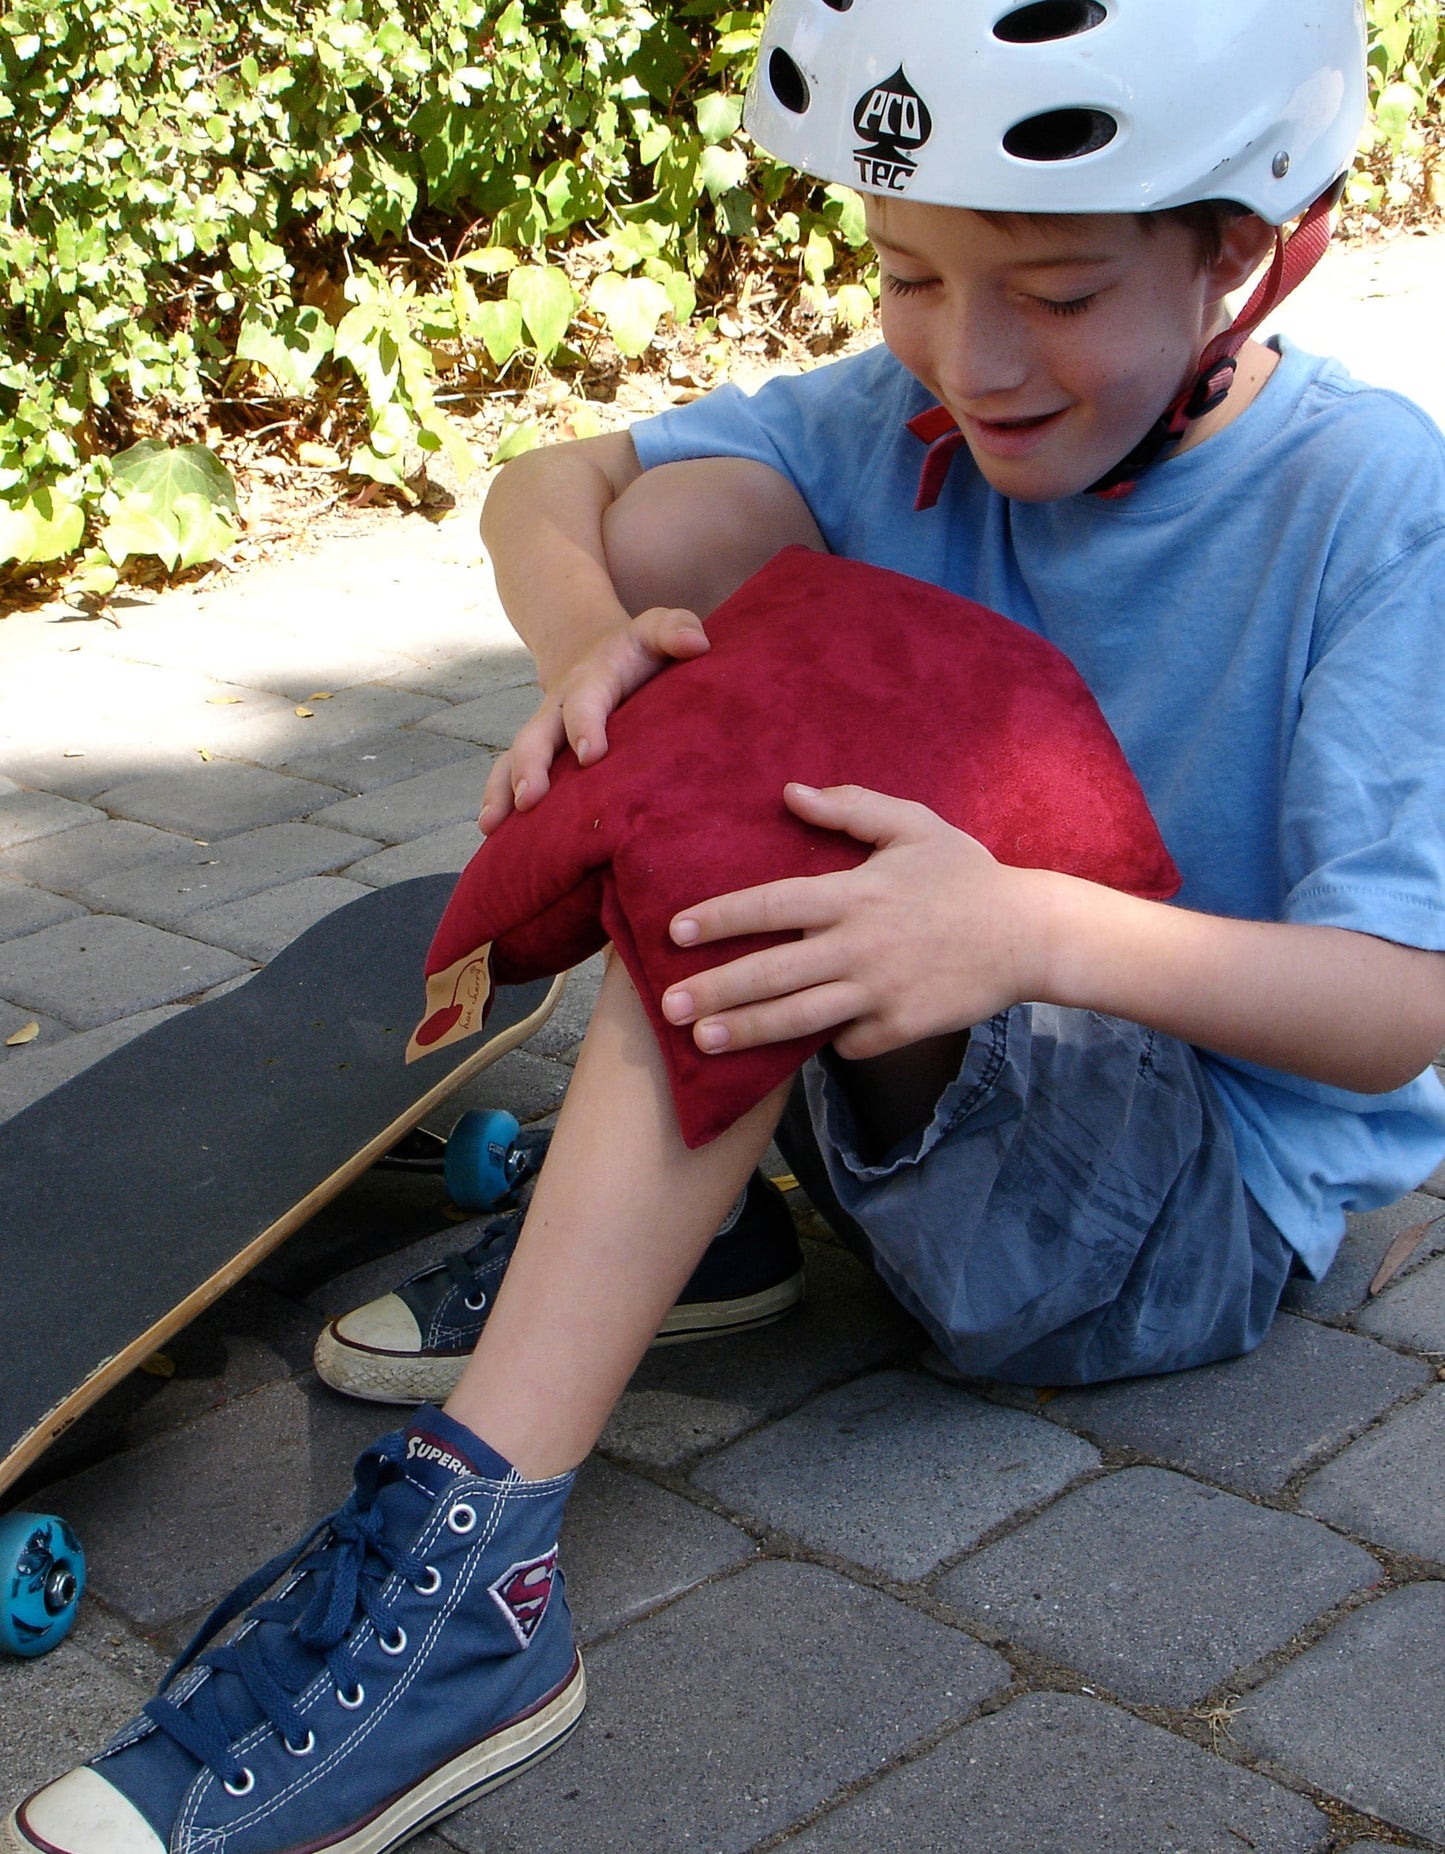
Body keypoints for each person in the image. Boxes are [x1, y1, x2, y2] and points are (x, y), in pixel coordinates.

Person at [12, 2, 1445, 1851]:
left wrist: (1013, 931)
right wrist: (583, 653)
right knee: (691, 558)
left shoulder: (1370, 501)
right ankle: (710, 1210)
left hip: (1189, 1208)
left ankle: (475, 1590)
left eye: (1063, 293)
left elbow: (1397, 1008)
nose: (971, 358)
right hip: (939, 1037)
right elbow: (551, 488)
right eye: (905, 275)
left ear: (1250, 257)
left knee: (757, 802)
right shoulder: (903, 415)